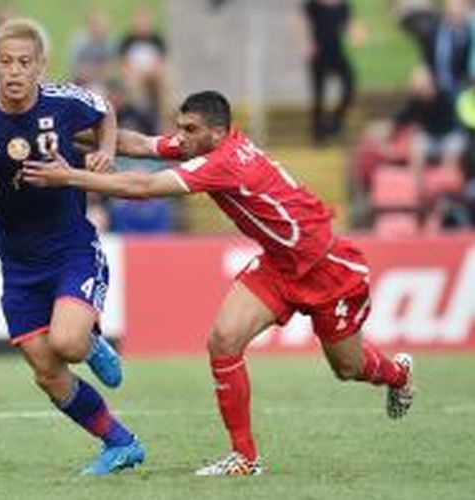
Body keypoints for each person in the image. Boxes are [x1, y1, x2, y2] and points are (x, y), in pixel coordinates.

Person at [23, 90, 414, 476]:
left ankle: (397, 374)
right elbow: (138, 143)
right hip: (280, 265)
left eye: (190, 130)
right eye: (180, 128)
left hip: (327, 268)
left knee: (348, 367)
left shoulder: (225, 163)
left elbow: (142, 188)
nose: (182, 137)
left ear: (217, 132)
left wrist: (69, 176)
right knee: (223, 341)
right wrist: (64, 131)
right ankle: (244, 457)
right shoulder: (206, 146)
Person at [0, 18, 145, 475]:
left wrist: (106, 152)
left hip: (71, 248)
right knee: (47, 371)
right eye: (5, 62)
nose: (14, 71)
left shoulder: (65, 101)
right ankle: (120, 443)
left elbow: (104, 110)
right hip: (17, 263)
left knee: (68, 344)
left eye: (24, 62)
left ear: (40, 66)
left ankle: (91, 342)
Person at [297, 0, 363, 142]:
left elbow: (350, 25)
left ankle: (335, 122)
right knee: (319, 95)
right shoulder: (312, 5)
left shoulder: (343, 6)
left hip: (336, 53)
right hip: (318, 54)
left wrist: (355, 33)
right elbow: (302, 23)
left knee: (349, 85)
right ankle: (318, 133)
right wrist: (306, 42)